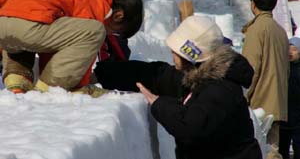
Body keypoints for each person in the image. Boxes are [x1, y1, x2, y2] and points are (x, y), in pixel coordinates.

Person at [94, 15, 262, 159]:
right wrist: (102, 72)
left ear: (190, 54)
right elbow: (157, 75)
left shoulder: (221, 89)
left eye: (175, 51)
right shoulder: (199, 77)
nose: (172, 54)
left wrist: (159, 103)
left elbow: (189, 127)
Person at [0, 0, 143, 96]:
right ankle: (52, 89)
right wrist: (78, 85)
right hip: (28, 28)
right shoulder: (96, 1)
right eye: (116, 31)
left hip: (4, 20)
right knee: (94, 31)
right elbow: (70, 52)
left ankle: (17, 77)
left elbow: (54, 43)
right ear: (118, 15)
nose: (111, 34)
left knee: (26, 31)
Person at [241, 0, 289, 159]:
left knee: (259, 150)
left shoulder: (256, 30)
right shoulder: (281, 31)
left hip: (259, 103)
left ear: (253, 4)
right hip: (277, 101)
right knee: (273, 150)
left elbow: (250, 69)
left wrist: (243, 96)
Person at [279, 37, 300, 159]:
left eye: (294, 49)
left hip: (298, 119)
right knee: (282, 151)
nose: (290, 52)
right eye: (288, 49)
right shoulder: (281, 68)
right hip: (284, 118)